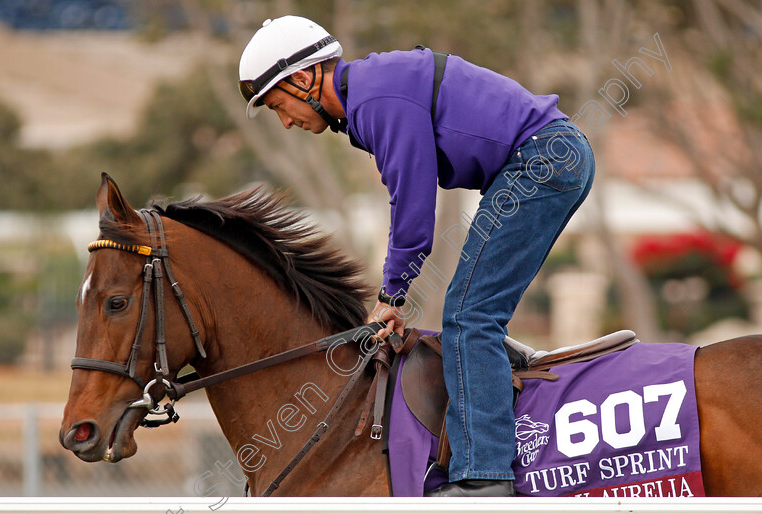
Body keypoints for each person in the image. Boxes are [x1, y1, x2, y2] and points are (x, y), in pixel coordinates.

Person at [238, 15, 595, 497]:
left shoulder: (376, 98)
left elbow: (412, 207)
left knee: (469, 316)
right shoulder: (371, 93)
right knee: (471, 312)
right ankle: (504, 380)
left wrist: (392, 295)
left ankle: (485, 479)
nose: (285, 121)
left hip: (542, 159)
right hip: (548, 156)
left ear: (303, 79)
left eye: (279, 105)